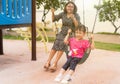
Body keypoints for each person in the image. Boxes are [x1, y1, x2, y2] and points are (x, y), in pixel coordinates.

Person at [44, 1, 81, 72]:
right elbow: (53, 19)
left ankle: (55, 63)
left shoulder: (76, 15)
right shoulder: (63, 14)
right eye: (68, 6)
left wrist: (73, 18)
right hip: (62, 32)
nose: (70, 8)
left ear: (74, 8)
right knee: (56, 44)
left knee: (62, 44)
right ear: (66, 7)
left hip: (70, 33)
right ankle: (48, 62)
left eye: (71, 6)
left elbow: (77, 26)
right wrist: (52, 12)